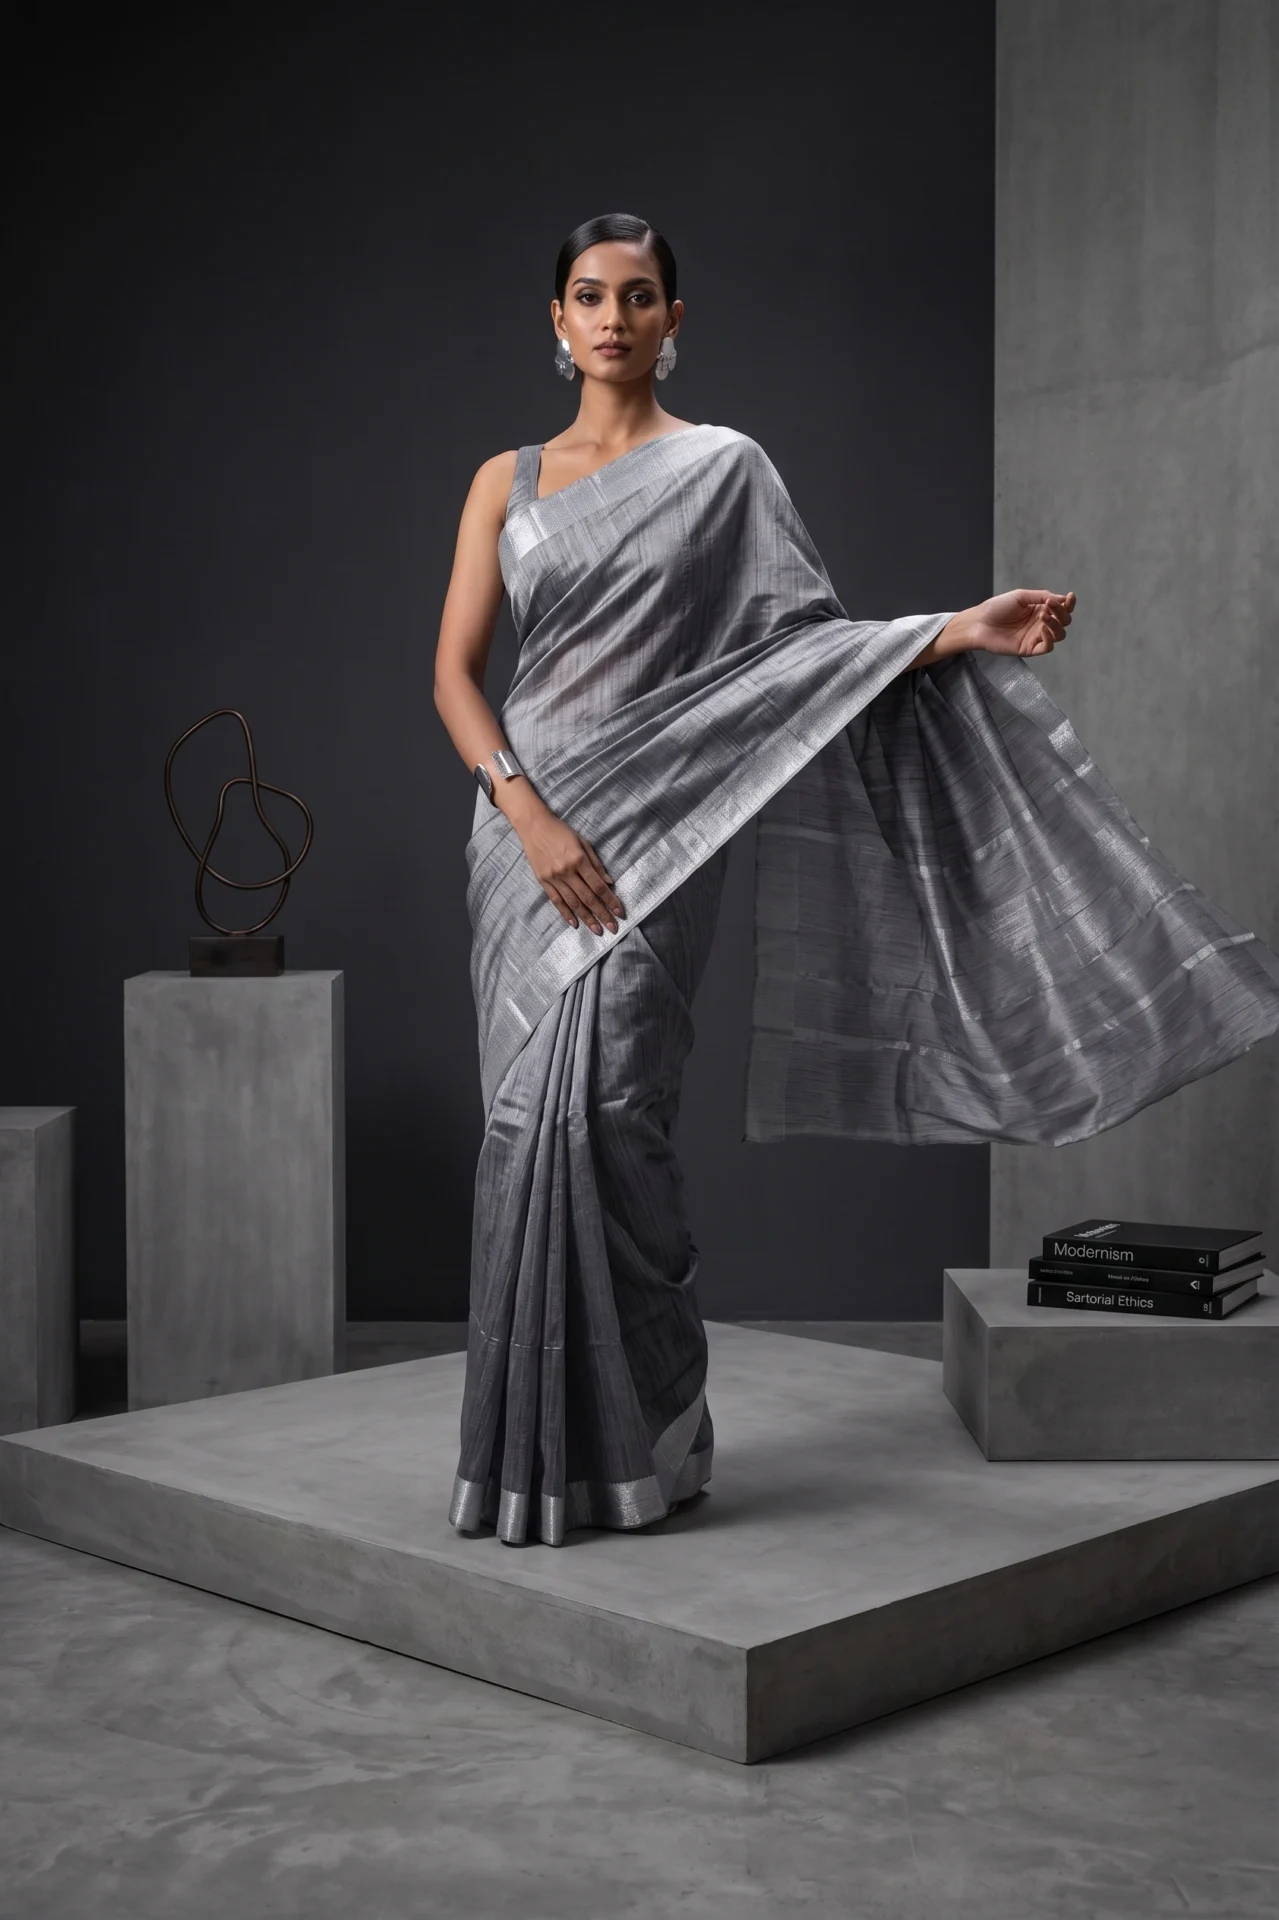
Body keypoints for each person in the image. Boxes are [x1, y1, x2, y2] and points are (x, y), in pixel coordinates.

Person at [432, 212, 1279, 1548]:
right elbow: (452, 677)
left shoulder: (724, 469)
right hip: (523, 838)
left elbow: (797, 655)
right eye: (589, 296)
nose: (612, 318)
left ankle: (645, 1436)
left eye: (638, 296)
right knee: (519, 1133)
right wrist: (524, 812)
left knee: (610, 1118)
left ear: (672, 320)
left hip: (667, 828)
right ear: (556, 319)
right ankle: (527, 1459)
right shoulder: (508, 480)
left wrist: (954, 630)